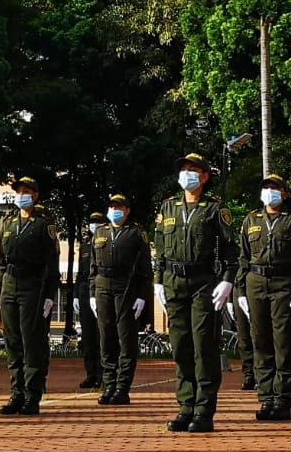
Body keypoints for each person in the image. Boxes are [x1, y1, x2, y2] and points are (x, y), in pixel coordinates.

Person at [154, 152, 238, 434]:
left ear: (204, 177)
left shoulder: (215, 208)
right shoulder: (168, 208)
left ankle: (203, 411)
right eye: (184, 170)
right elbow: (161, 251)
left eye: (193, 170)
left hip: (204, 282)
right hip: (174, 281)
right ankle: (185, 407)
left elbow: (230, 251)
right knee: (180, 347)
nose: (187, 174)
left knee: (204, 346)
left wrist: (227, 281)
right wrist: (158, 282)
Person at [236, 173, 291, 421]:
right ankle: (266, 397)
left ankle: (282, 399)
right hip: (255, 283)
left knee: (283, 343)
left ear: (285, 193)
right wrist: (240, 290)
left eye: (275, 188)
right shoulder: (251, 219)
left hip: (285, 284)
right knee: (260, 341)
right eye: (266, 187)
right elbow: (243, 257)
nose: (269, 191)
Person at [0, 176, 61, 416]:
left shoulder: (44, 225)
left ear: (35, 196)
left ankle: (32, 396)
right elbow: (0, 261)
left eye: (26, 192)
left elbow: (52, 263)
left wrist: (50, 296)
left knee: (31, 341)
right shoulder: (9, 224)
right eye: (18, 192)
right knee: (12, 342)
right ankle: (17, 394)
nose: (21, 196)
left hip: (34, 286)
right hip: (10, 285)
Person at [89, 193, 151, 406]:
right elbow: (92, 267)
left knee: (126, 339)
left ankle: (122, 388)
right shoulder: (100, 232)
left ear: (126, 210)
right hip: (102, 286)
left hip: (126, 287)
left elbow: (145, 268)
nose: (114, 210)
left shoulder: (136, 233)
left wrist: (143, 296)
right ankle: (109, 385)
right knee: (106, 337)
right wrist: (91, 293)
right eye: (112, 206)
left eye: (119, 207)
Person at [75, 210, 105, 389]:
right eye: (91, 222)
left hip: (100, 290)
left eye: (97, 221)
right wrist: (76, 295)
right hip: (85, 291)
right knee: (87, 336)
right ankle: (91, 373)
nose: (94, 225)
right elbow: (80, 272)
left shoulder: (106, 241)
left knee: (100, 335)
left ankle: (103, 374)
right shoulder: (85, 245)